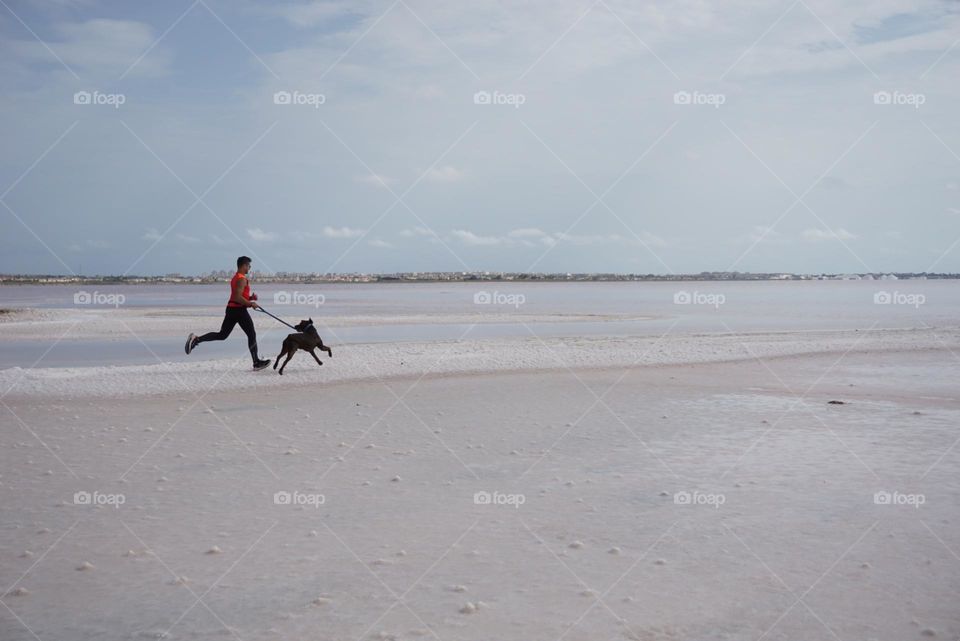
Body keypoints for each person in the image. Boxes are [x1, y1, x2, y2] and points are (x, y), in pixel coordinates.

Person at [185, 256, 271, 370]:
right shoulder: (241, 279)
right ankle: (256, 363)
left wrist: (250, 298)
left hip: (232, 309)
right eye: (249, 266)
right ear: (244, 265)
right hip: (239, 311)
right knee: (251, 334)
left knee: (222, 335)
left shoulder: (236, 277)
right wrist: (251, 304)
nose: (249, 268)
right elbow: (236, 297)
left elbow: (238, 295)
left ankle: (196, 339)